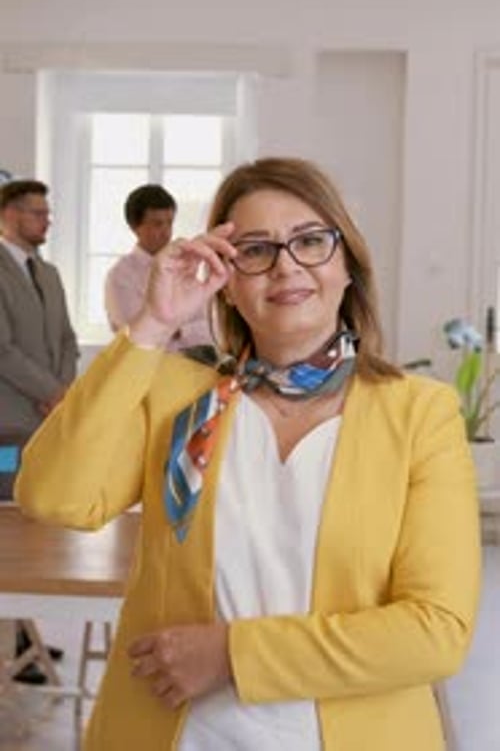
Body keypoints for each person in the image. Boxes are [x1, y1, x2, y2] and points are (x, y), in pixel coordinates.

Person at [15, 157, 480, 751]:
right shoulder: (175, 396)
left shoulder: (421, 414)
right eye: (256, 251)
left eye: (310, 241)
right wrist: (152, 325)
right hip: (170, 734)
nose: (286, 267)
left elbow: (435, 631)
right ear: (227, 283)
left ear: (347, 267)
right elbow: (54, 496)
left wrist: (231, 655)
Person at [0, 178, 79, 684]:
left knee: (32, 527)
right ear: (7, 215)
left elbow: (68, 340)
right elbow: (2, 349)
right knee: (5, 528)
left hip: (45, 426)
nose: (45, 220)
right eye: (35, 213)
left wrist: (66, 392)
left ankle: (22, 638)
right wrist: (51, 392)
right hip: (5, 428)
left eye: (46, 212)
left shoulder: (48, 273)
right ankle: (12, 644)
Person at [105, 183, 209, 349]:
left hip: (191, 368)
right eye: (158, 224)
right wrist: (182, 327)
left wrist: (176, 329)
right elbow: (132, 335)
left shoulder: (183, 267)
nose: (167, 232)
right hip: (144, 370)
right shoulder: (120, 276)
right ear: (135, 227)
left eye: (170, 222)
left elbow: (208, 327)